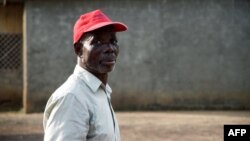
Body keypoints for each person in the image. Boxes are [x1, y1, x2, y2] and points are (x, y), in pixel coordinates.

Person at [43, 9, 127, 141]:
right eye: (97, 42)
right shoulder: (72, 98)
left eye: (113, 41)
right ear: (79, 50)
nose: (110, 48)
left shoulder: (100, 91)